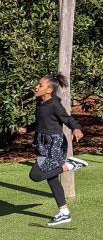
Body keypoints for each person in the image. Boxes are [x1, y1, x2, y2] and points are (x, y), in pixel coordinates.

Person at [18, 73, 88, 227]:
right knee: (51, 178)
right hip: (42, 143)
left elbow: (67, 118)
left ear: (49, 90)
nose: (36, 87)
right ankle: (64, 212)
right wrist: (27, 129)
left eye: (40, 85)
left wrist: (76, 128)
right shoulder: (40, 103)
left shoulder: (55, 105)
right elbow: (40, 122)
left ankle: (69, 165)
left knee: (36, 175)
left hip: (54, 144)